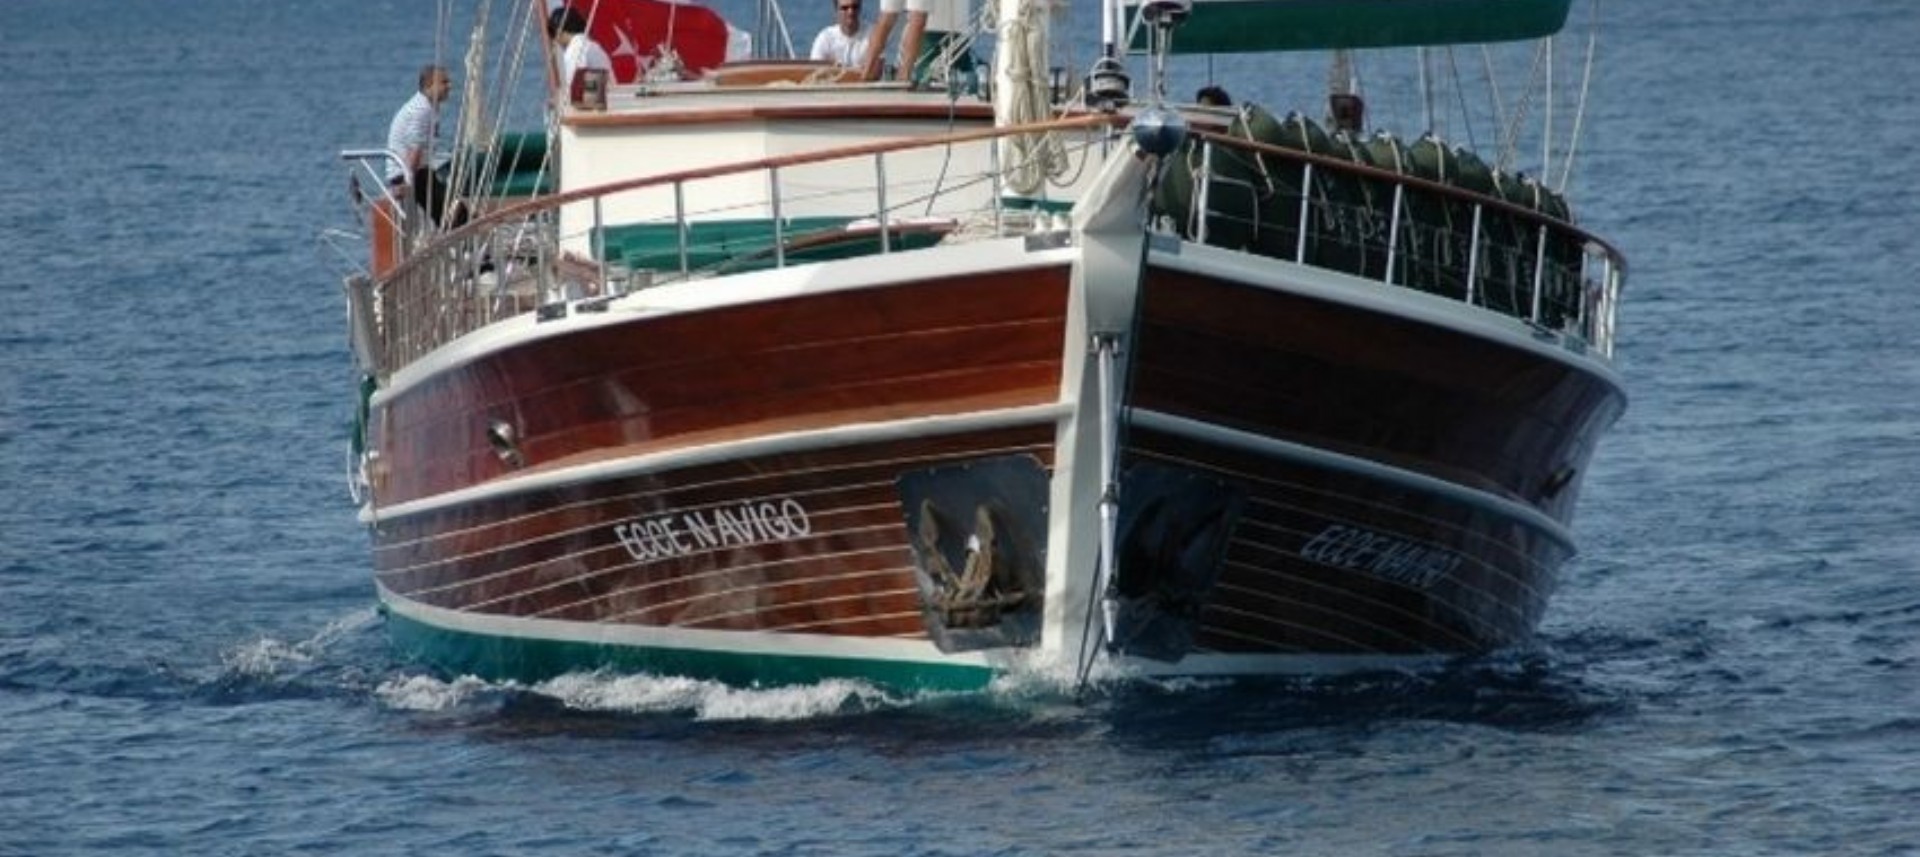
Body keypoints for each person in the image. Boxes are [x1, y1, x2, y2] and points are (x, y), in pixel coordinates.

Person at [386, 64, 467, 230]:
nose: (449, 86)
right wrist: (407, 182)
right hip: (407, 174)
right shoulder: (421, 110)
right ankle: (459, 242)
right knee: (456, 214)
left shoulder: (428, 107)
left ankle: (456, 238)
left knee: (456, 210)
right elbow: (414, 149)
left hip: (418, 171)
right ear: (429, 85)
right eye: (444, 82)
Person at [548, 7, 612, 99]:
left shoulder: (575, 49)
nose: (556, 42)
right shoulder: (593, 46)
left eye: (553, 36)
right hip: (608, 100)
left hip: (596, 104)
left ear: (559, 32)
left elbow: (578, 90)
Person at [810, 0, 872, 68]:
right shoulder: (825, 38)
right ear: (836, 10)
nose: (850, 12)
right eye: (845, 8)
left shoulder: (873, 35)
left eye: (855, 7)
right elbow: (814, 69)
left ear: (860, 8)